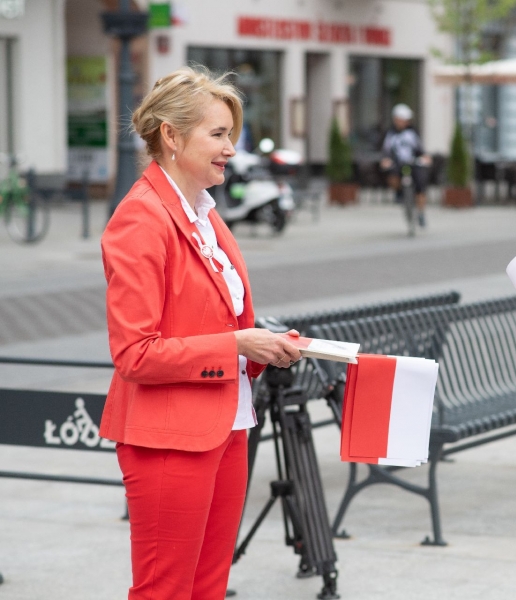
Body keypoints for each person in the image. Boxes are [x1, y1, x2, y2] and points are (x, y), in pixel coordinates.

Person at [99, 66, 302, 599]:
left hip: (227, 423)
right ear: (171, 136)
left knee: (209, 587)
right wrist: (238, 344)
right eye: (218, 134)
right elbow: (135, 354)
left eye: (231, 135)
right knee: (165, 590)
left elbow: (218, 321)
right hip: (169, 437)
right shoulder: (140, 219)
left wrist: (263, 347)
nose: (230, 149)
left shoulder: (205, 215)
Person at [380, 103, 431, 227]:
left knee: (420, 183)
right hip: (397, 163)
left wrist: (425, 158)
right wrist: (385, 160)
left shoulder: (412, 133)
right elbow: (386, 151)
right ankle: (400, 193)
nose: (405, 122)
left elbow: (420, 149)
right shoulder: (390, 134)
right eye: (402, 119)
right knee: (392, 176)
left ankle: (421, 212)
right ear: (396, 119)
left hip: (413, 162)